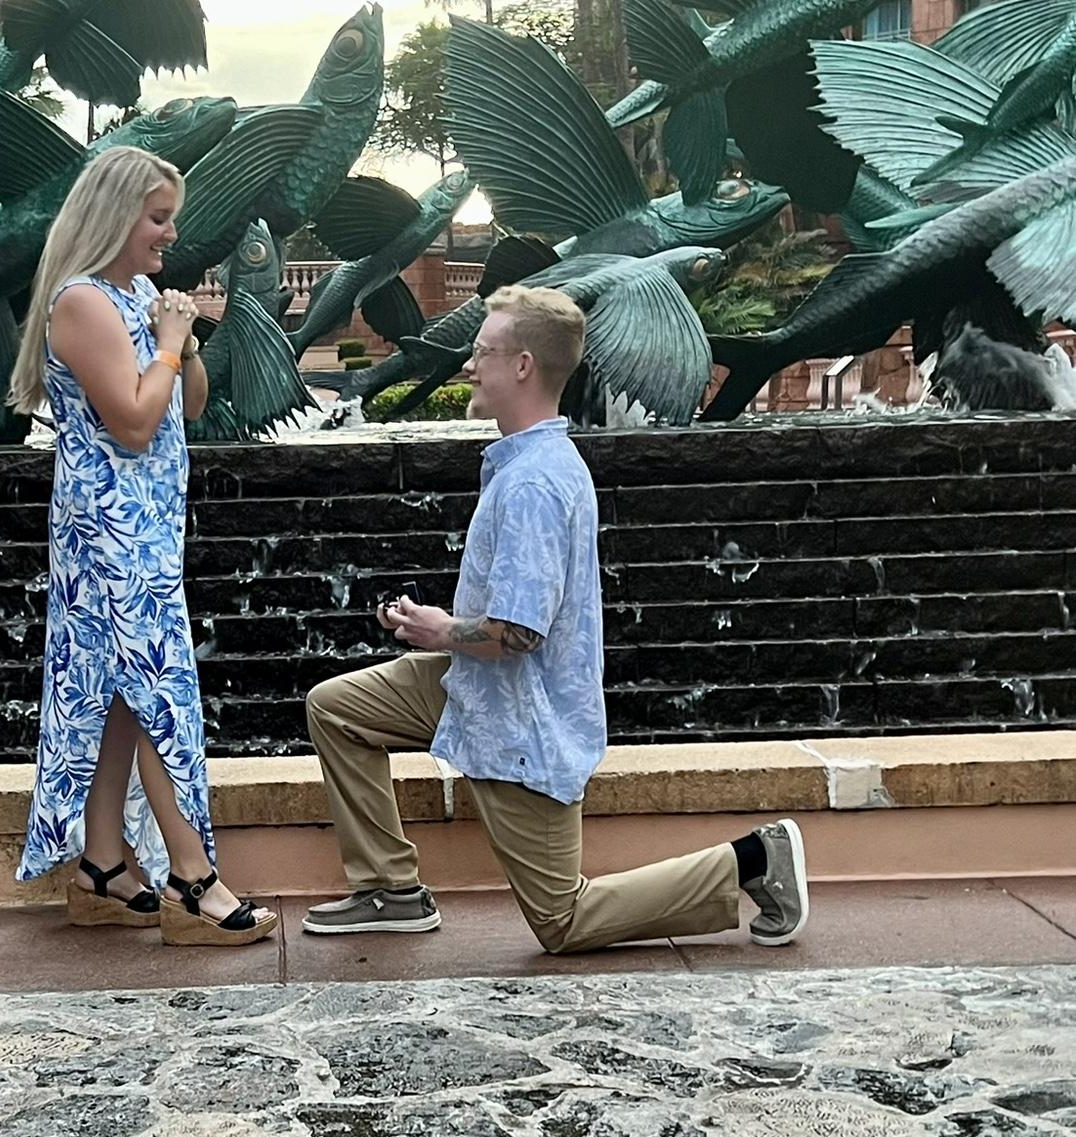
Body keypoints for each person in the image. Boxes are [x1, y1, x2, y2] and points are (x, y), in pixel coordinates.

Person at [302, 284, 808, 951]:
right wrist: (438, 632)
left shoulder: (536, 482)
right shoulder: (524, 464)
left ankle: (755, 860)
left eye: (482, 353)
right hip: (474, 688)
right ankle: (390, 889)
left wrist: (438, 629)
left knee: (563, 921)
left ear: (522, 367)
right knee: (338, 707)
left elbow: (517, 634)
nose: (468, 366)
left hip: (522, 719)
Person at [9, 146, 276, 947]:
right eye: (158, 217)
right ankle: (191, 882)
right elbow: (131, 419)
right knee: (157, 690)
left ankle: (100, 867)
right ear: (116, 215)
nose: (170, 233)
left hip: (147, 523)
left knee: (120, 688)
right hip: (109, 530)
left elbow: (185, 407)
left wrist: (182, 341)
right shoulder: (82, 301)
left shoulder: (135, 296)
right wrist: (163, 343)